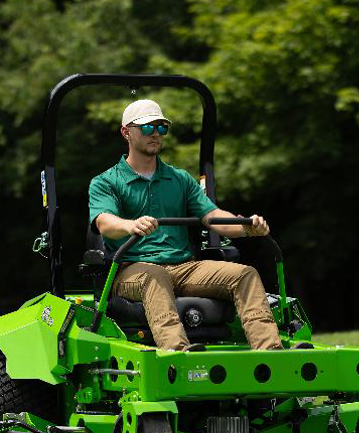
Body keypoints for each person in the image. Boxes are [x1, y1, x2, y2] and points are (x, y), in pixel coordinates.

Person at [88, 99, 284, 352]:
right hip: (133, 270)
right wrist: (131, 226)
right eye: (147, 128)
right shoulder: (106, 181)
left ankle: (270, 353)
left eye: (161, 128)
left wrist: (247, 227)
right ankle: (178, 355)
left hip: (184, 267)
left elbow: (214, 217)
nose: (156, 134)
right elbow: (105, 222)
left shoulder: (179, 178)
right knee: (155, 277)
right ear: (127, 132)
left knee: (244, 275)